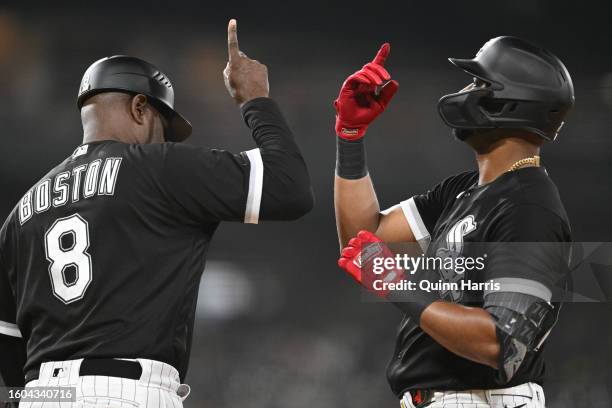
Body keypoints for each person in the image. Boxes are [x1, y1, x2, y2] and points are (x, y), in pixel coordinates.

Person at [0, 19, 313, 407]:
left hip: (40, 395)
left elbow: (9, 341)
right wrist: (256, 99)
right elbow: (291, 188)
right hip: (126, 392)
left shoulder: (21, 212)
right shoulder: (158, 167)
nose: (165, 140)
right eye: (165, 127)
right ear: (139, 107)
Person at [334, 37, 574, 408]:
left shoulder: (530, 207)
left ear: (508, 102)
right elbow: (364, 241)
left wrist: (397, 284)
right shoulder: (464, 190)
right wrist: (350, 136)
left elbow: (501, 343)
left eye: (479, 83)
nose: (465, 92)